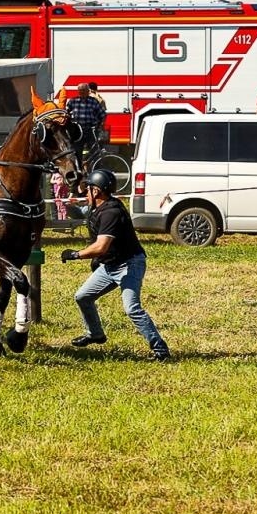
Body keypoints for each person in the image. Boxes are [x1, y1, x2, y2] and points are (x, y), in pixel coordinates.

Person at [59, 167, 170, 362]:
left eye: (89, 189)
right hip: (110, 266)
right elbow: (80, 212)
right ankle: (95, 334)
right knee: (83, 297)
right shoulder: (98, 207)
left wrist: (76, 255)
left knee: (131, 308)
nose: (86, 193)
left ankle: (160, 350)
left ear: (97, 191)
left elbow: (101, 246)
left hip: (129, 265)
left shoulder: (111, 212)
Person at [64, 81, 107, 157]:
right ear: (78, 91)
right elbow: (65, 114)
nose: (82, 92)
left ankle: (96, 167)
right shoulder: (73, 101)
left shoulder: (93, 101)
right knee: (76, 151)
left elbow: (102, 114)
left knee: (94, 151)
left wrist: (100, 125)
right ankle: (78, 167)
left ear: (88, 91)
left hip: (91, 130)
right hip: (77, 131)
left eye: (84, 90)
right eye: (80, 90)